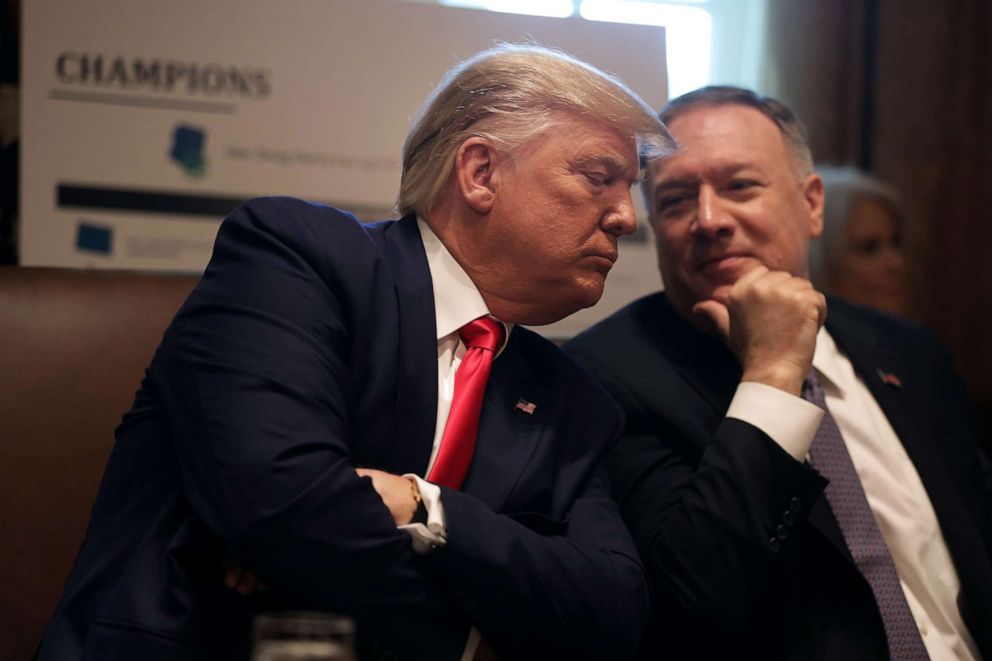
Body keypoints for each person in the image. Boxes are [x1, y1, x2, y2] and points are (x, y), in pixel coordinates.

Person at [37, 44, 672, 660]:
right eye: (598, 178)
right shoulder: (298, 260)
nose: (626, 218)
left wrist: (427, 509)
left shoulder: (572, 397)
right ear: (481, 174)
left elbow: (613, 611)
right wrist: (475, 638)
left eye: (630, 190)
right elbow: (282, 508)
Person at [566, 86, 992, 660]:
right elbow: (694, 601)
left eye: (740, 186)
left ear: (812, 203)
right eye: (675, 200)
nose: (709, 220)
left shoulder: (909, 350)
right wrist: (771, 372)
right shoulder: (604, 378)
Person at [809, 166, 909, 316]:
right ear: (822, 259)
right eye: (869, 248)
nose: (896, 263)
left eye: (896, 243)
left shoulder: (915, 337)